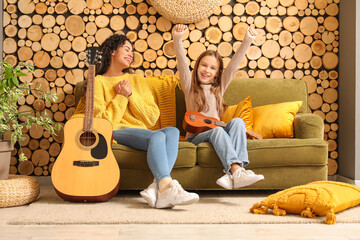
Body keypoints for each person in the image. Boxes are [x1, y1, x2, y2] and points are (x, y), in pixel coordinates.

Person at [90, 34, 199, 208]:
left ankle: (159, 186)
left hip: (141, 131)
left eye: (132, 51)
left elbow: (151, 117)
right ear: (111, 51)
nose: (130, 54)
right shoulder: (98, 82)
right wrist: (121, 96)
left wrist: (131, 95)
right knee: (156, 137)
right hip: (115, 131)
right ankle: (165, 188)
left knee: (172, 131)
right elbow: (103, 121)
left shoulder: (137, 80)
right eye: (126, 49)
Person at [173, 24, 264, 189]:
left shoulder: (219, 88)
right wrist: (178, 39)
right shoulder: (189, 86)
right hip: (196, 138)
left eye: (212, 68)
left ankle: (235, 174)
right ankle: (236, 171)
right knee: (217, 130)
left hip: (217, 133)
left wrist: (247, 41)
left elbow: (233, 66)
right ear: (197, 66)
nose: (207, 70)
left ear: (217, 73)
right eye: (204, 65)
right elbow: (181, 63)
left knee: (238, 122)